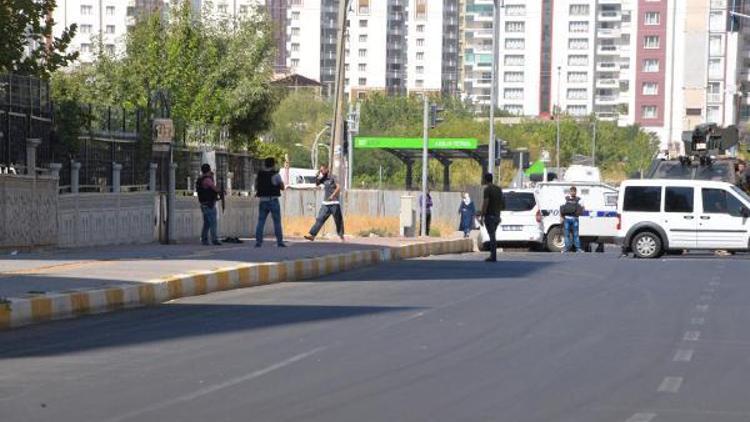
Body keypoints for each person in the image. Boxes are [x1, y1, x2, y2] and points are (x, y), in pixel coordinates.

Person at [304, 164, 345, 242]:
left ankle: (341, 236)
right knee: (320, 219)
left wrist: (333, 195)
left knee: (338, 220)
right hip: (326, 203)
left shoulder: (333, 177)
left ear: (327, 169)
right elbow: (317, 184)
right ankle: (312, 235)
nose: (321, 172)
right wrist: (316, 176)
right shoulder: (323, 178)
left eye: (322, 170)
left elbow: (338, 187)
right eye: (321, 170)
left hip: (334, 203)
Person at [255, 157, 286, 248]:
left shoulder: (260, 174)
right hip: (273, 200)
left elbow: (257, 186)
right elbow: (282, 187)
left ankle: (258, 242)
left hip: (262, 200)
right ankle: (279, 242)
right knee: (277, 222)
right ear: (273, 164)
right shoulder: (275, 175)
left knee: (261, 222)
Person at [196, 163, 223, 246]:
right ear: (209, 170)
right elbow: (214, 188)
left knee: (207, 223)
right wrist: (220, 190)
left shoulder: (200, 179)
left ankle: (204, 239)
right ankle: (214, 239)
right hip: (209, 204)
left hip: (203, 203)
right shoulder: (207, 179)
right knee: (213, 223)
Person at [479, 173, 503, 262]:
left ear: (485, 180)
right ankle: (493, 255)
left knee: (492, 236)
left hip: (490, 216)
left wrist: (482, 215)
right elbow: (503, 202)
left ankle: (493, 256)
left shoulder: (487, 190)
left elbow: (486, 203)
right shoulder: (498, 189)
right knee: (493, 235)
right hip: (497, 216)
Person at [560, 186, 583, 253]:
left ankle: (577, 248)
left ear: (576, 192)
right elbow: (561, 208)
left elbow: (582, 208)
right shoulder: (566, 199)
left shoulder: (578, 199)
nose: (573, 192)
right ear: (570, 192)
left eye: (574, 191)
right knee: (567, 234)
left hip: (574, 219)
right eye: (572, 191)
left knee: (575, 234)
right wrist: (561, 217)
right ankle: (567, 248)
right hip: (567, 219)